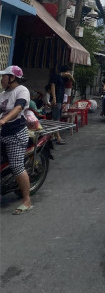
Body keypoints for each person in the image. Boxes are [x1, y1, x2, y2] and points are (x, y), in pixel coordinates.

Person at [0, 65, 33, 214]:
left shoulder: (22, 90)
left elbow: (18, 108)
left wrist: (4, 120)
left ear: (12, 78)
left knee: (17, 166)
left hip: (16, 134)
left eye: (4, 77)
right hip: (3, 133)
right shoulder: (3, 94)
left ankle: (27, 201)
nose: (2, 79)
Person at [50, 66, 71, 144]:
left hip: (60, 100)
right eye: (68, 72)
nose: (69, 73)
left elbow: (73, 81)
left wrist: (69, 75)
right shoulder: (56, 76)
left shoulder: (64, 79)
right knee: (56, 119)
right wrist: (54, 98)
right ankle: (58, 137)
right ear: (64, 71)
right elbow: (53, 86)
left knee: (56, 118)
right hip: (56, 100)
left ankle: (52, 136)